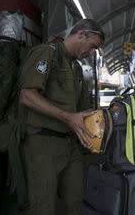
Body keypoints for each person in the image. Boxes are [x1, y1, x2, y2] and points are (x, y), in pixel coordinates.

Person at [18, 19, 104, 215]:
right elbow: (27, 95)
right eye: (92, 47)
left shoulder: (77, 68)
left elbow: (81, 111)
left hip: (70, 145)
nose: (92, 53)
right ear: (81, 34)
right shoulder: (47, 53)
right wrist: (67, 117)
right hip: (43, 144)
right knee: (43, 206)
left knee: (74, 202)